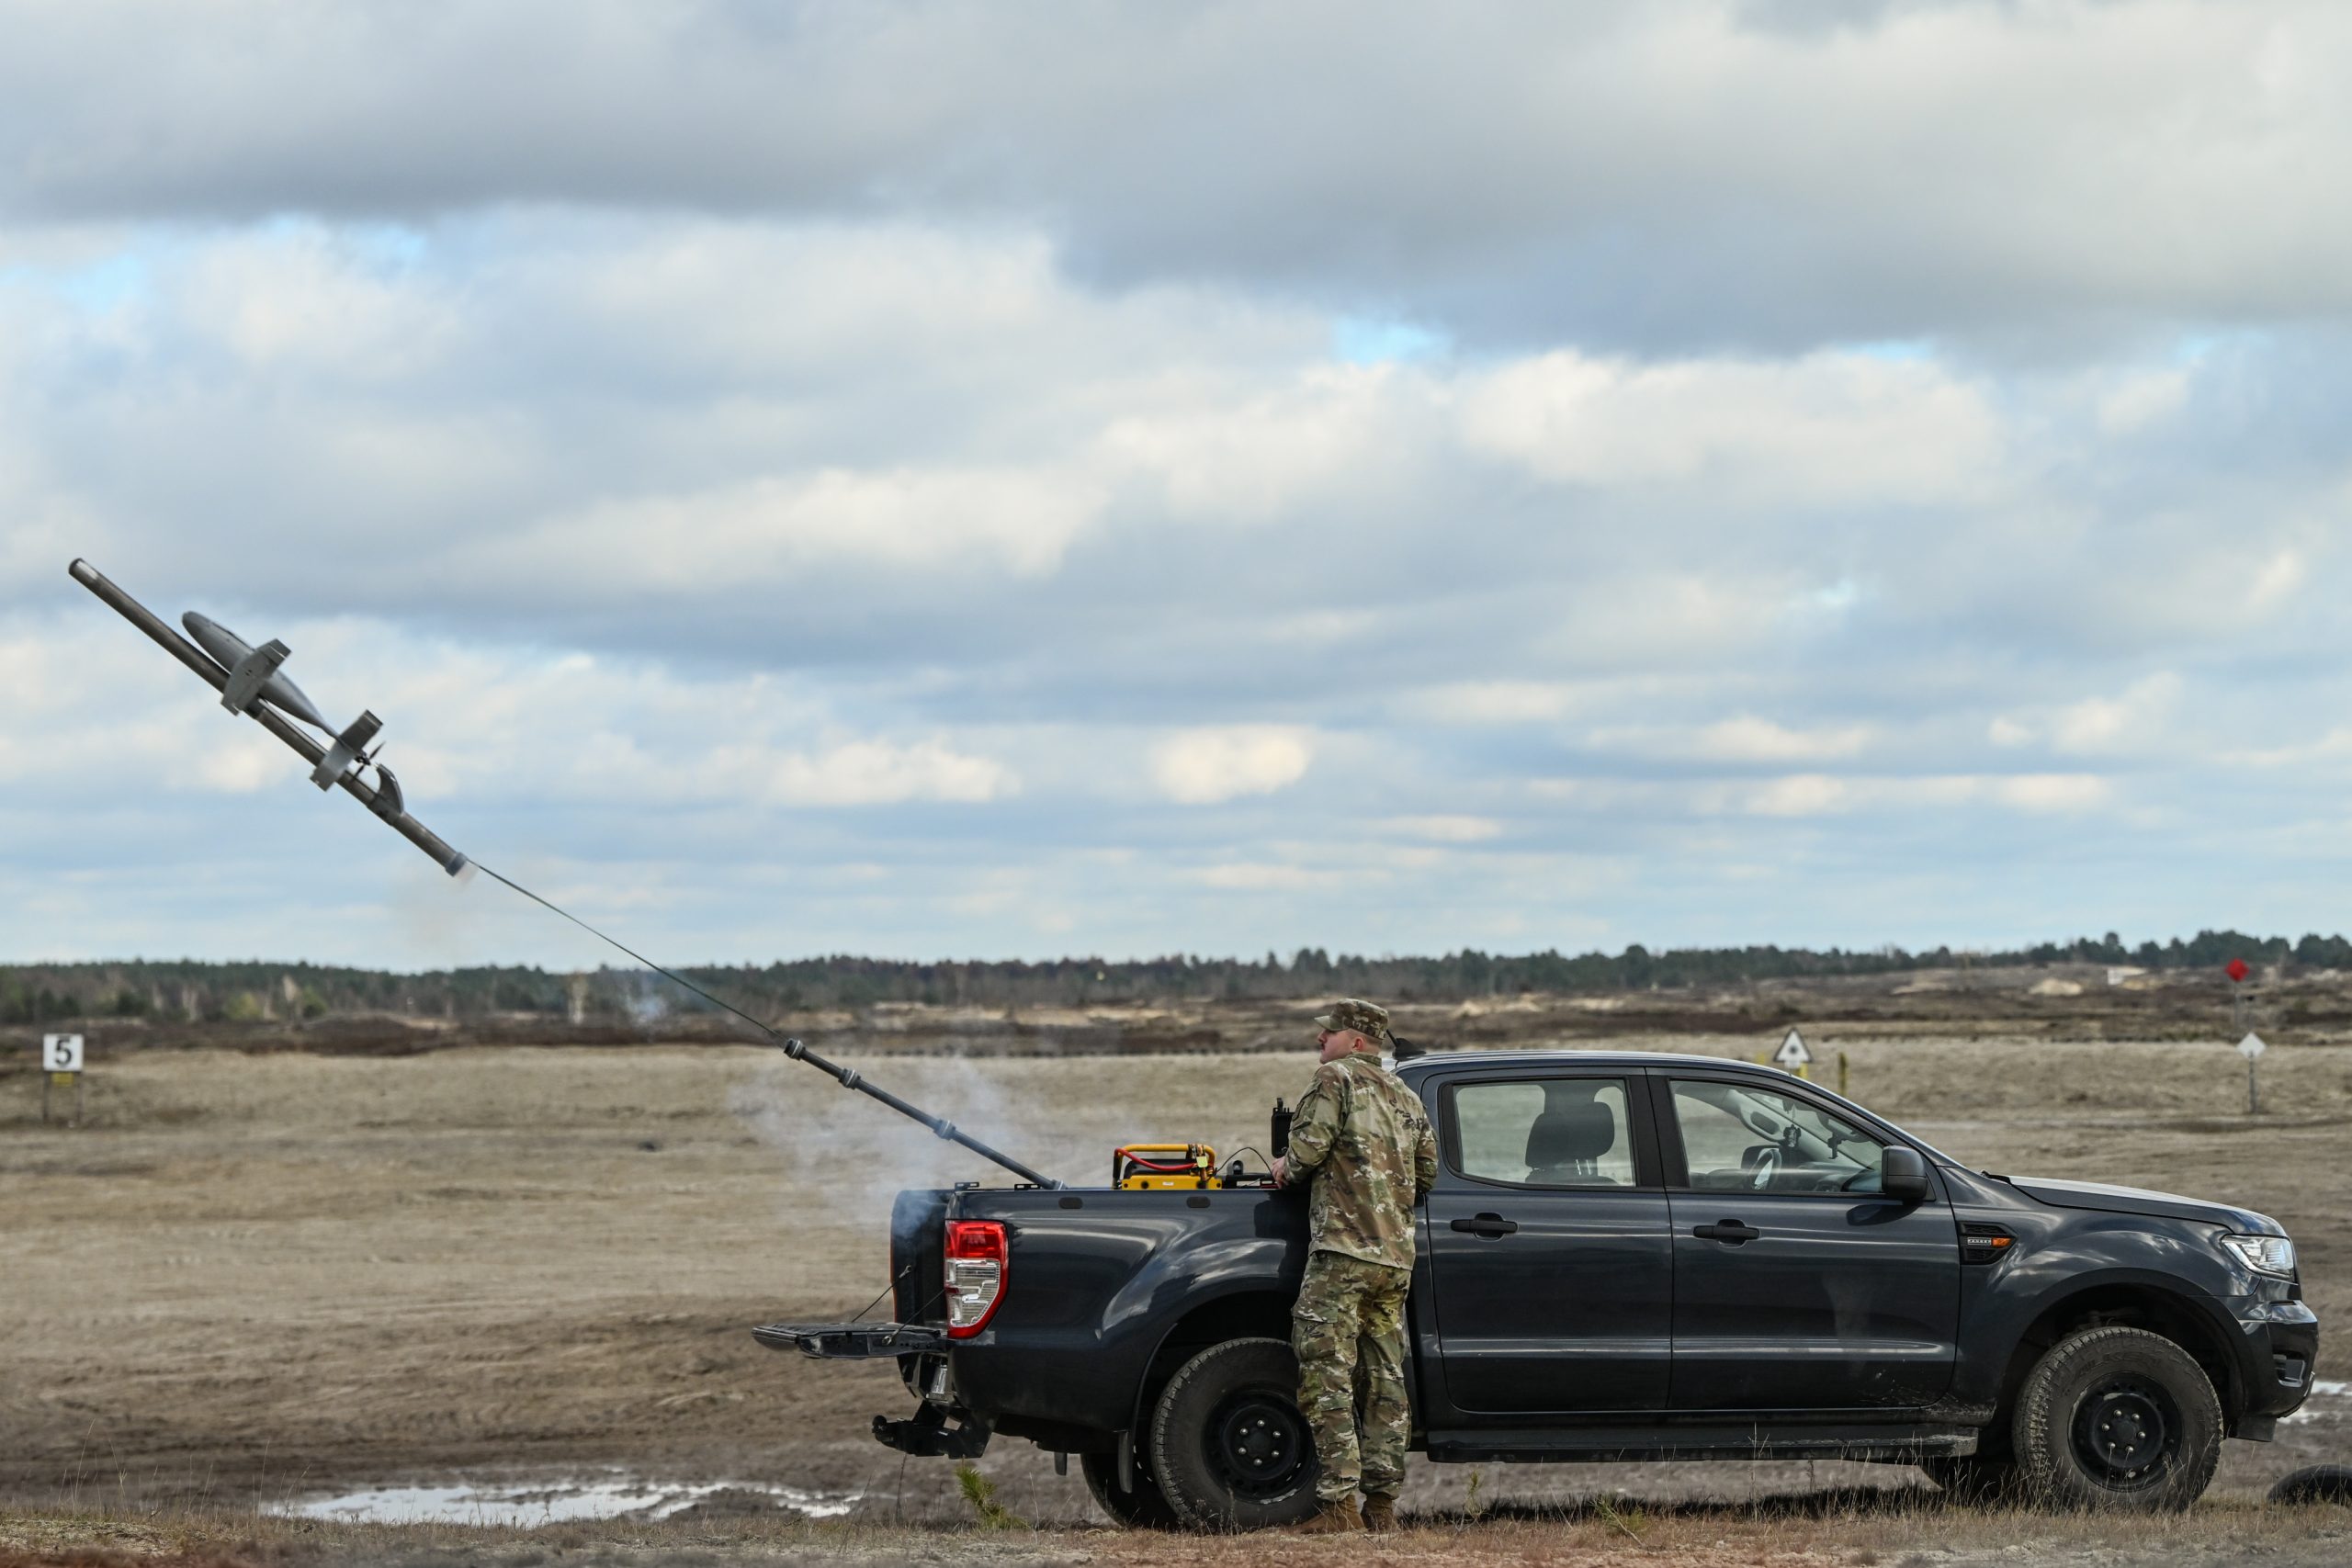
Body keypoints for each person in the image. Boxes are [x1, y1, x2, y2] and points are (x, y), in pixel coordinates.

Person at [1271, 998, 1437, 1533]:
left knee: (1325, 1371)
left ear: (1358, 1041)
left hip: (1342, 1254)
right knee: (1385, 1378)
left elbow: (1305, 1155)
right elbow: (1427, 1173)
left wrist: (1282, 1166)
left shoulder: (1334, 1080)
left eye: (1330, 1033)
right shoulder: (1408, 1096)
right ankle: (1382, 1507)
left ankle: (1339, 1505)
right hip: (1394, 1260)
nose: (1320, 1040)